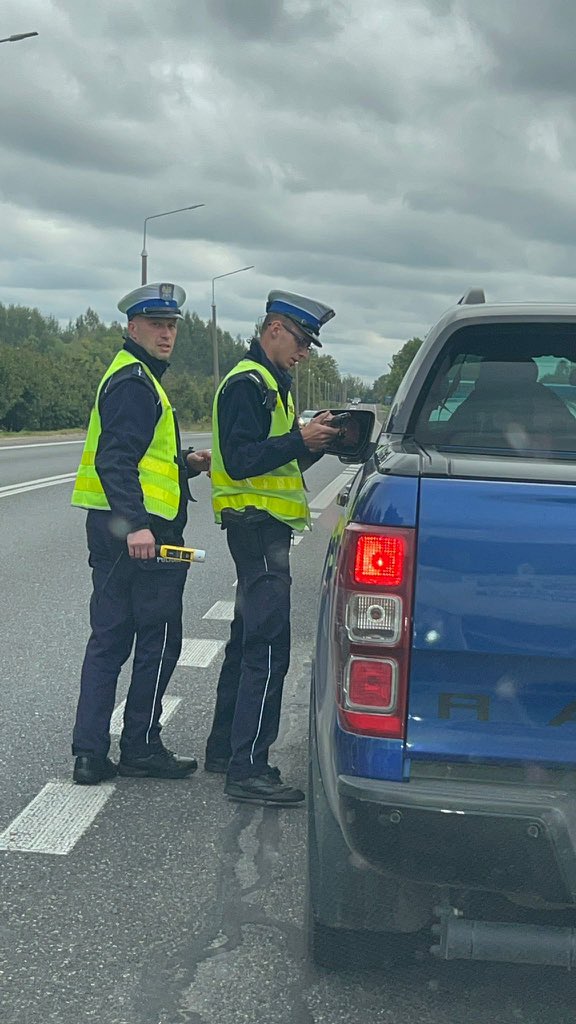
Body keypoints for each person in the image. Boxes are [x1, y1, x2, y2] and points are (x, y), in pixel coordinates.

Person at [70, 282, 211, 785]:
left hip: (115, 529)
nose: (167, 334)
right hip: (139, 536)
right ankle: (140, 746)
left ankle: (89, 754)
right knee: (159, 637)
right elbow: (115, 458)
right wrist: (137, 525)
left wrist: (183, 464)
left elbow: (136, 455)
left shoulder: (135, 376)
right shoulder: (135, 380)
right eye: (157, 325)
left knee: (109, 639)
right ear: (133, 328)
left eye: (171, 325)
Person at [205, 289, 340, 805]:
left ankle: (224, 749)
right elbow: (240, 461)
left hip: (262, 526)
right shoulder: (248, 383)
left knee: (246, 642)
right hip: (257, 527)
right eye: (302, 341)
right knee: (267, 647)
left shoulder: (272, 383)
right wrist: (297, 442)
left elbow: (274, 460)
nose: (305, 352)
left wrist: (314, 443)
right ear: (275, 329)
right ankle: (250, 769)